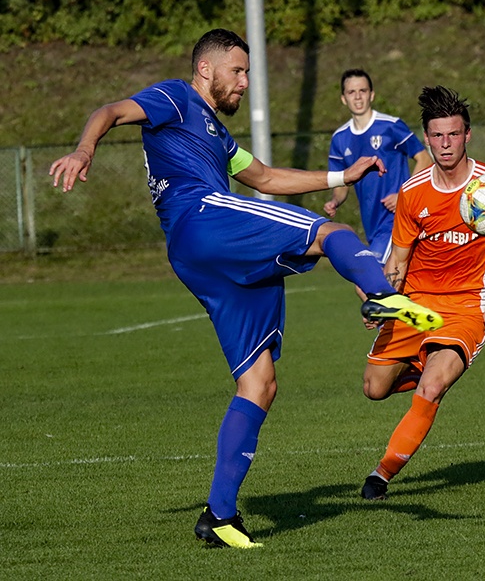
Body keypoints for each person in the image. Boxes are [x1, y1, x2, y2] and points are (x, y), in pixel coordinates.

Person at [48, 29, 443, 548]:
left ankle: (219, 516)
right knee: (331, 233)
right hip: (203, 217)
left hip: (205, 256)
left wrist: (341, 175)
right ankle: (381, 293)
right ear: (207, 69)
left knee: (259, 383)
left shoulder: (216, 133)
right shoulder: (175, 96)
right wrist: (84, 149)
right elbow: (111, 111)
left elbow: (266, 177)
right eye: (238, 71)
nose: (246, 82)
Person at [358, 85, 485, 500]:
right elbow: (397, 261)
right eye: (437, 136)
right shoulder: (413, 191)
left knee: (432, 387)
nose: (445, 144)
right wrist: (382, 300)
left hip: (467, 306)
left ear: (467, 134)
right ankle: (427, 364)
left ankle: (380, 476)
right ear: (427, 137)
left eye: (453, 134)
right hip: (416, 306)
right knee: (374, 388)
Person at [324, 69, 432, 263]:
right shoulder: (340, 138)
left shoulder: (390, 126)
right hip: (372, 224)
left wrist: (404, 196)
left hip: (396, 220)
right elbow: (341, 181)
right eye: (351, 92)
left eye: (362, 91)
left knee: (369, 282)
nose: (357, 97)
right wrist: (335, 202)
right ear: (343, 98)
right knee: (391, 285)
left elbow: (424, 159)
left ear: (371, 95)